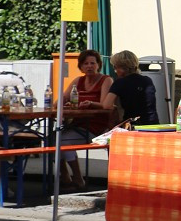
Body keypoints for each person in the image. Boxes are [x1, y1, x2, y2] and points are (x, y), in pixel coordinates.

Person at [61, 49, 113, 188]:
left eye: (92, 63)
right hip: (77, 124)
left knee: (62, 141)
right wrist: (64, 104)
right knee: (51, 139)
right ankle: (65, 175)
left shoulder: (106, 80)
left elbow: (105, 105)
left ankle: (78, 179)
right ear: (81, 66)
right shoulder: (78, 81)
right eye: (85, 63)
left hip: (96, 126)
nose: (89, 66)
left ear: (98, 65)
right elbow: (59, 101)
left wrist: (91, 104)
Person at [102, 50, 159, 125]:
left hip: (133, 125)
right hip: (153, 124)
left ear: (121, 68)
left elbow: (106, 105)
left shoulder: (120, 82)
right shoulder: (147, 80)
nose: (115, 71)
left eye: (115, 67)